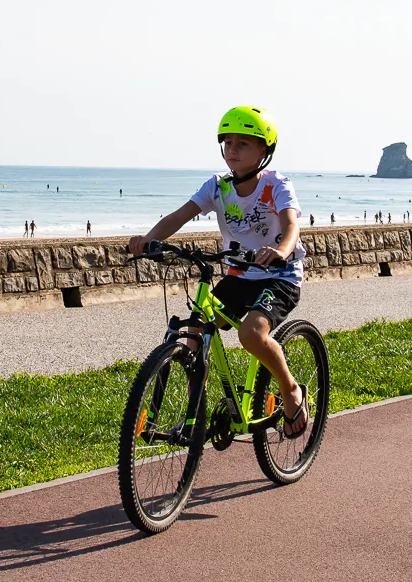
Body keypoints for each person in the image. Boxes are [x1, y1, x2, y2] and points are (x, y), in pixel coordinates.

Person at [128, 106, 311, 437]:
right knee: (195, 332)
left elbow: (291, 224)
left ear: (264, 150)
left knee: (251, 334)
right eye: (227, 142)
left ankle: (291, 390)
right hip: (239, 277)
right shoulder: (218, 187)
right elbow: (180, 215)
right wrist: (149, 239)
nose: (233, 150)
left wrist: (281, 250)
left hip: (280, 276)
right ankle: (192, 417)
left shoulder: (276, 185)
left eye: (243, 143)